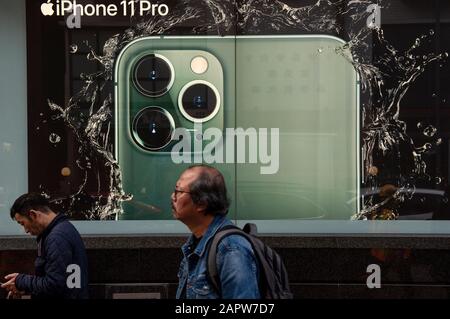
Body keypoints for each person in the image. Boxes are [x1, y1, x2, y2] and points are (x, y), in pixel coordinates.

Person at [172, 165, 260, 299]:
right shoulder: (196, 243)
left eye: (178, 191)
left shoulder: (231, 249)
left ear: (202, 203)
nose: (173, 197)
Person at [1, 193, 89, 299]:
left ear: (33, 215)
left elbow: (54, 284)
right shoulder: (62, 230)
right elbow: (59, 280)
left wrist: (21, 281)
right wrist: (25, 287)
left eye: (22, 223)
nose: (26, 230)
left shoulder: (57, 237)